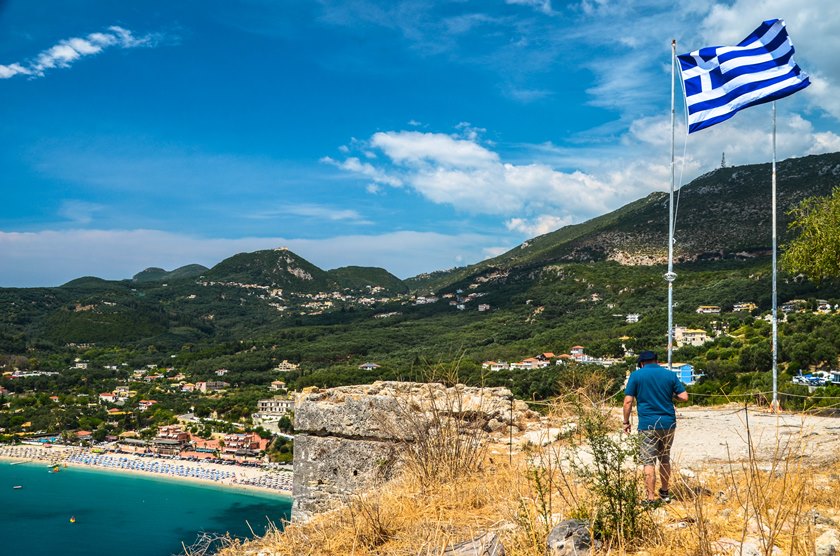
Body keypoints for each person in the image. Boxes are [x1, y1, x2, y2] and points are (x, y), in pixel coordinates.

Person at [623, 350, 688, 505]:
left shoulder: (636, 376)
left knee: (649, 461)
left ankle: (651, 498)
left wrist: (626, 422)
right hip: (668, 423)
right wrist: (668, 395)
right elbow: (684, 397)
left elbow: (627, 402)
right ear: (656, 361)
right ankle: (665, 492)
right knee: (664, 458)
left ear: (642, 363)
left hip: (647, 425)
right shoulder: (669, 375)